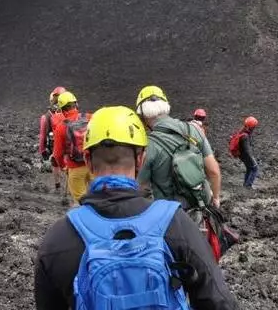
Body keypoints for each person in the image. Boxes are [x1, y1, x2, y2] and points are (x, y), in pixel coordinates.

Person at [33, 106, 237, 310]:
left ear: (88, 160)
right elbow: (219, 302)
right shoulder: (176, 223)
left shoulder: (59, 238)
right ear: (141, 159)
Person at [135, 86, 222, 217]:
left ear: (142, 116)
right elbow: (213, 171)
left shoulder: (147, 145)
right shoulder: (193, 130)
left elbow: (142, 189)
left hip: (170, 218)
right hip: (200, 209)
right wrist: (215, 199)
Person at [51, 91, 92, 205]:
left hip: (75, 168)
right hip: (94, 166)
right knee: (99, 198)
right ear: (76, 104)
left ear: (62, 110)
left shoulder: (61, 127)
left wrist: (64, 166)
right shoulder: (90, 118)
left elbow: (57, 154)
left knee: (81, 203)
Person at [38, 86, 66, 196]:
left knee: (55, 163)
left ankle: (58, 186)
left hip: (54, 145)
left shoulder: (46, 117)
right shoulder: (70, 114)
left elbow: (43, 135)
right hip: (69, 144)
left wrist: (42, 150)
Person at [230, 116, 259, 189]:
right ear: (251, 127)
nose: (254, 128)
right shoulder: (245, 136)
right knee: (255, 168)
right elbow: (247, 150)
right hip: (245, 155)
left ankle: (245, 184)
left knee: (249, 168)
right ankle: (248, 185)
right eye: (254, 127)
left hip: (241, 155)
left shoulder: (242, 132)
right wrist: (252, 159)